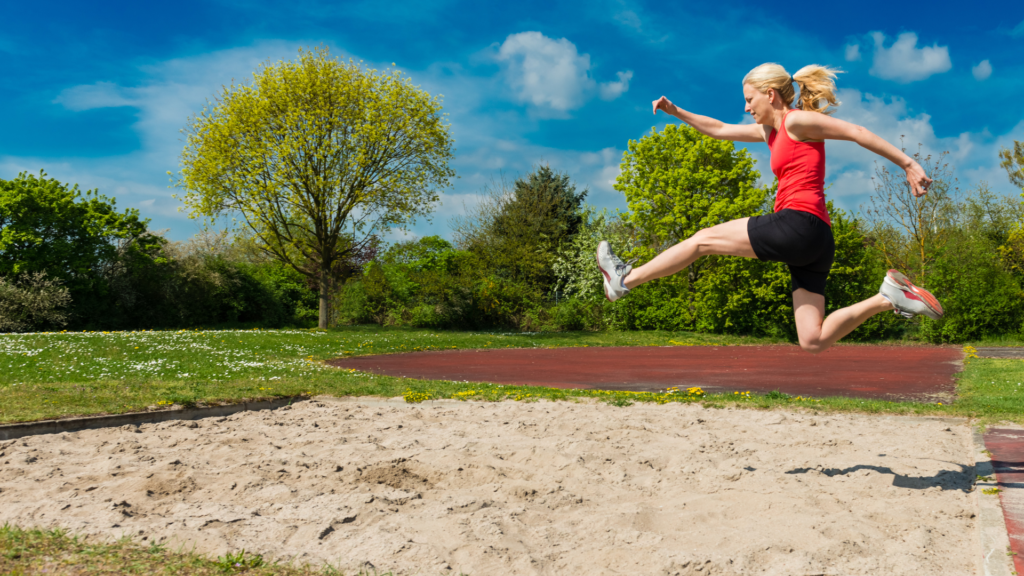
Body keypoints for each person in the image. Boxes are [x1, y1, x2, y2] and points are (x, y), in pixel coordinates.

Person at [596, 63, 943, 354]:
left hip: (798, 223)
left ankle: (624, 280)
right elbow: (719, 129)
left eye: (750, 100)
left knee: (701, 240)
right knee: (812, 340)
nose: (747, 108)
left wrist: (908, 164)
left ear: (770, 95)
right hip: (817, 241)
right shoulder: (770, 132)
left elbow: (856, 131)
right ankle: (888, 298)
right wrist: (677, 112)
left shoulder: (796, 122)